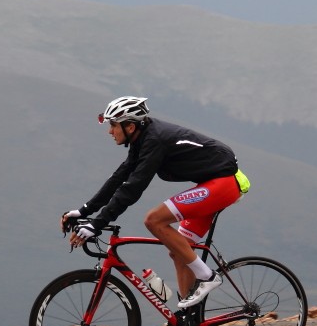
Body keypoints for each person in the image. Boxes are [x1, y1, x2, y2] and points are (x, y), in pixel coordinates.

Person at [61, 96, 250, 309]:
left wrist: (97, 223)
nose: (109, 131)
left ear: (130, 126)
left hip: (224, 183)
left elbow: (133, 188)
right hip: (215, 183)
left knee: (154, 220)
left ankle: (207, 276)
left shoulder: (155, 140)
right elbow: (119, 178)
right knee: (179, 251)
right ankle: (188, 320)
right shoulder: (141, 139)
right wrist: (84, 211)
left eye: (113, 125)